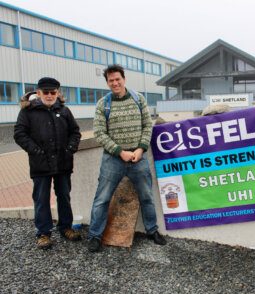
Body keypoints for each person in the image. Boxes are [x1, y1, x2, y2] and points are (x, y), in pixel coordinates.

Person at [88, 64, 166, 252]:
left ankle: (152, 230)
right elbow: (99, 133)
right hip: (113, 159)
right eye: (111, 80)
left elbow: (148, 126)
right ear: (107, 82)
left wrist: (140, 149)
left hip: (138, 158)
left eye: (118, 79)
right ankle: (95, 236)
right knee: (102, 199)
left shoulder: (139, 99)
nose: (115, 83)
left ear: (124, 79)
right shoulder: (103, 104)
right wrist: (119, 151)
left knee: (147, 196)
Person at [14, 77, 82, 249]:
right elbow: (19, 134)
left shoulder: (64, 111)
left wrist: (70, 149)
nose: (50, 95)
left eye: (53, 92)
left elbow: (75, 132)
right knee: (41, 199)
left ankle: (65, 227)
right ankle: (43, 233)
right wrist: (35, 151)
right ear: (38, 93)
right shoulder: (28, 112)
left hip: (63, 164)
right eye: (46, 92)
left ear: (58, 93)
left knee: (64, 197)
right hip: (40, 164)